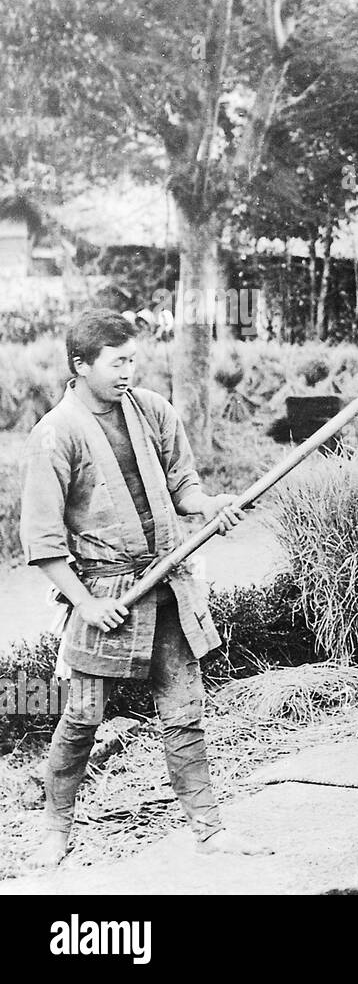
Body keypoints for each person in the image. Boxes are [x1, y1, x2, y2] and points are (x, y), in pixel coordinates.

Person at [19, 309, 270, 869]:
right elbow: (40, 539)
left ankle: (207, 828)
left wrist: (210, 506)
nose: (128, 370)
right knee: (81, 716)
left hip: (170, 585)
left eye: (133, 358)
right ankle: (55, 830)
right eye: (116, 362)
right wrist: (87, 601)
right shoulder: (54, 434)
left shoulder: (153, 410)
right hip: (106, 596)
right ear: (80, 365)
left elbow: (184, 484)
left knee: (184, 711)